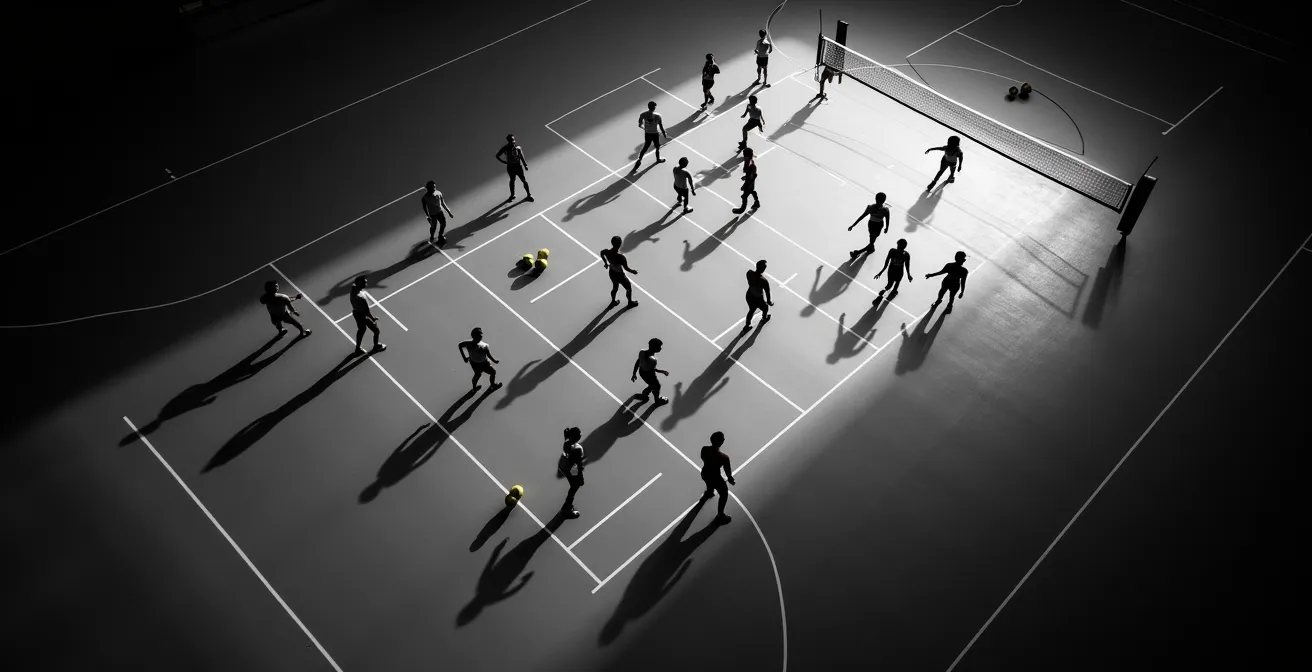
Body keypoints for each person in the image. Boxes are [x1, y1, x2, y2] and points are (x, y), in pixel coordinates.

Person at [700, 431, 735, 525]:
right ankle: (720, 515)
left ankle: (709, 492)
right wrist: (730, 479)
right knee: (724, 494)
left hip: (705, 473)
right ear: (721, 442)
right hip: (716, 477)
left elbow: (702, 458)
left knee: (709, 483)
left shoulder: (704, 449)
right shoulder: (724, 457)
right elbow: (727, 471)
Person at [600, 235, 640, 309]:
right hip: (620, 276)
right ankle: (630, 303)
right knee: (628, 288)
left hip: (612, 273)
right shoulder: (621, 257)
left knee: (615, 287)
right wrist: (633, 271)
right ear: (619, 244)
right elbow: (626, 268)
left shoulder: (607, 252)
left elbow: (601, 253)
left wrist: (605, 263)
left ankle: (613, 301)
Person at [848, 192, 890, 259]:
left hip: (878, 226)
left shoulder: (885, 210)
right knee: (872, 239)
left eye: (880, 201)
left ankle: (858, 252)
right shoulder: (871, 208)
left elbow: (887, 219)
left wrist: (887, 227)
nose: (879, 203)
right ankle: (869, 249)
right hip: (872, 225)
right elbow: (862, 216)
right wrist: (853, 225)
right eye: (878, 201)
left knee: (872, 240)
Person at [349, 276, 385, 354]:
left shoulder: (353, 290)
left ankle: (357, 349)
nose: (366, 282)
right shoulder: (361, 298)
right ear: (361, 284)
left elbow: (354, 284)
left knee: (361, 330)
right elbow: (366, 311)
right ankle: (376, 346)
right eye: (365, 282)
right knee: (376, 330)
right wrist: (373, 318)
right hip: (363, 316)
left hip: (356, 313)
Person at [495, 134, 534, 203]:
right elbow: (497, 156)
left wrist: (525, 165)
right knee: (512, 180)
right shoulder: (505, 148)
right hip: (511, 167)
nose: (513, 141)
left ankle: (529, 194)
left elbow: (521, 156)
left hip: (518, 166)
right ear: (508, 141)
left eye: (513, 140)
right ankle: (512, 195)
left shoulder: (518, 148)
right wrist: (504, 162)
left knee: (524, 180)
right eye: (511, 140)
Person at [631, 338, 670, 405]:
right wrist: (663, 371)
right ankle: (657, 401)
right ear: (655, 348)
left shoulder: (642, 352)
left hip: (642, 372)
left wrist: (634, 374)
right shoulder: (653, 360)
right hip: (650, 374)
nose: (661, 348)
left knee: (651, 385)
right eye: (660, 347)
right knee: (657, 386)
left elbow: (638, 362)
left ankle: (644, 396)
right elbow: (654, 369)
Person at [558, 427, 586, 519]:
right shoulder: (578, 449)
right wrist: (581, 476)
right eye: (580, 434)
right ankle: (567, 508)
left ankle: (567, 505)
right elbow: (578, 464)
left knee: (573, 485)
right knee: (575, 486)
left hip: (563, 466)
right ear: (576, 437)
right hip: (572, 470)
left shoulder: (566, 442)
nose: (581, 434)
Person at [873, 239, 912, 304]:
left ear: (897, 244)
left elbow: (886, 263)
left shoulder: (892, 251)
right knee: (897, 282)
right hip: (899, 270)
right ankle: (893, 291)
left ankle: (881, 295)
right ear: (905, 247)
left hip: (892, 269)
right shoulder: (906, 255)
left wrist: (880, 273)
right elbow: (907, 265)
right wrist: (908, 275)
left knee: (890, 284)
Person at [636, 101, 669, 170]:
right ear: (654, 108)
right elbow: (661, 126)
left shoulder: (643, 114)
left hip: (647, 134)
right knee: (657, 146)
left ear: (648, 107)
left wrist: (645, 128)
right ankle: (658, 159)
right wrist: (664, 134)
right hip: (655, 134)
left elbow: (640, 124)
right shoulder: (658, 116)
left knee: (645, 147)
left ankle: (639, 159)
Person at [421, 180, 455, 245]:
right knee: (433, 227)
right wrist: (428, 216)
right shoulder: (424, 198)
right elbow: (425, 208)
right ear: (428, 188)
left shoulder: (438, 193)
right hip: (432, 215)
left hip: (440, 212)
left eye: (434, 187)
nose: (434, 188)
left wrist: (449, 212)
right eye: (432, 187)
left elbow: (442, 203)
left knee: (443, 224)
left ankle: (440, 235)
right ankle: (432, 236)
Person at [744, 259, 773, 330]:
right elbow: (767, 292)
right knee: (765, 308)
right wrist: (769, 301)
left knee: (751, 310)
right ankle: (764, 319)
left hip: (749, 295)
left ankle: (747, 326)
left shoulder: (749, 273)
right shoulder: (764, 281)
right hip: (758, 299)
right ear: (763, 270)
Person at [732, 147, 760, 214]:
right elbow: (752, 175)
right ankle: (757, 202)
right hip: (751, 181)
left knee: (744, 196)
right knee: (752, 191)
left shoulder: (750, 165)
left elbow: (750, 178)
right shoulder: (749, 162)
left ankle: (742, 209)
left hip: (749, 183)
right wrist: (746, 177)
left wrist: (744, 186)